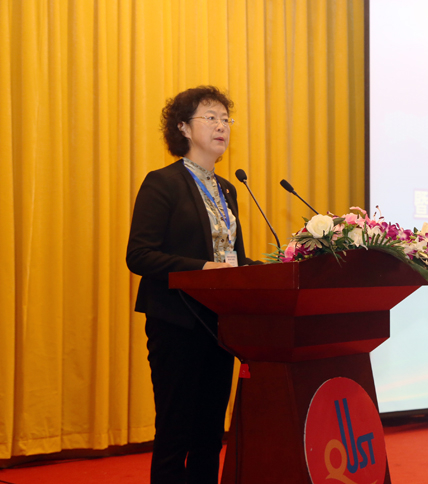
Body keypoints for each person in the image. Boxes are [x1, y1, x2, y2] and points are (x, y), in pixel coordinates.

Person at [126, 86, 261, 484]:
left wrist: (273, 267)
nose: (222, 126)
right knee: (175, 431)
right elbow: (140, 255)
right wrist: (203, 268)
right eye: (210, 118)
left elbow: (232, 258)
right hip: (177, 324)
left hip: (219, 325)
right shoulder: (162, 183)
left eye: (225, 119)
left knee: (210, 433)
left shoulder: (228, 189)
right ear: (183, 128)